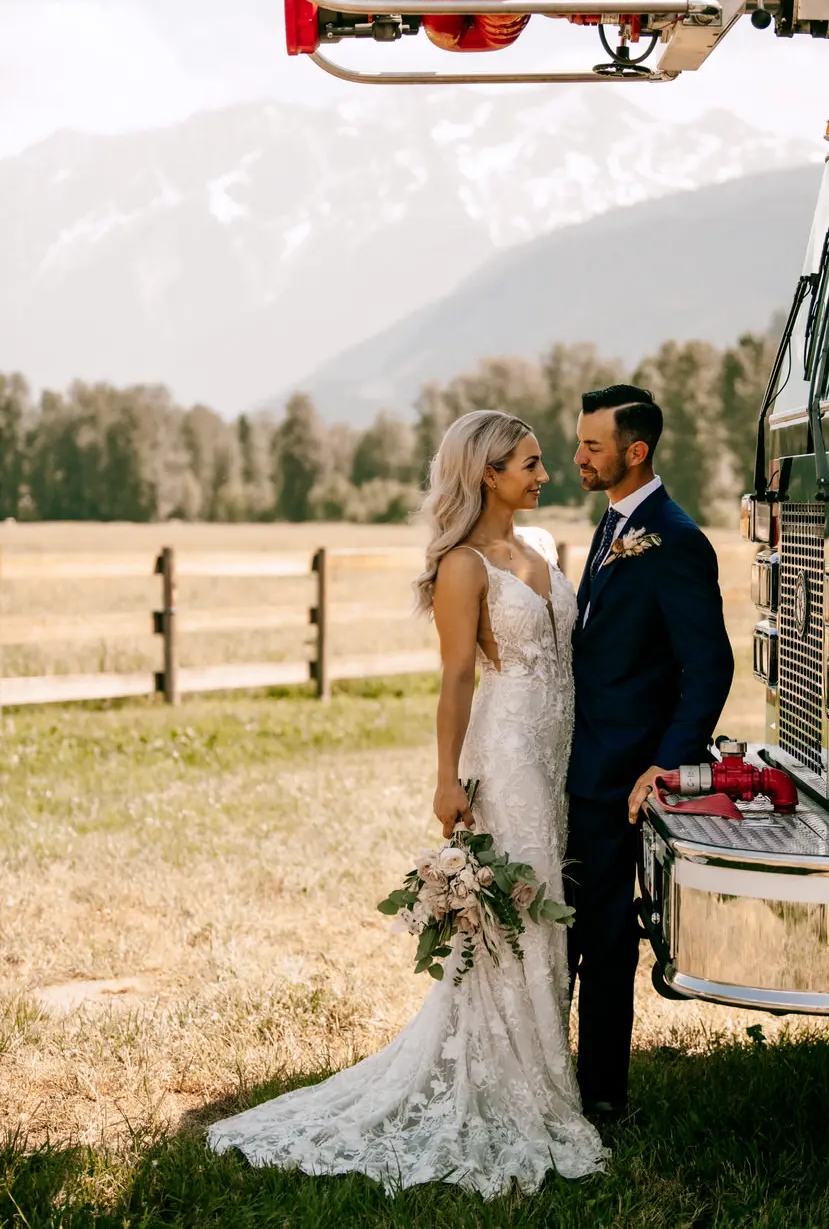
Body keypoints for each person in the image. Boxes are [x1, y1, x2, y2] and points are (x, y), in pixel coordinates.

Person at [208, 410, 606, 1198]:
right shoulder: (463, 567)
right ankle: (516, 1083)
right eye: (528, 464)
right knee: (522, 909)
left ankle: (544, 1071)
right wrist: (446, 777)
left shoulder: (543, 548)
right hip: (510, 752)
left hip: (560, 748)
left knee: (550, 906)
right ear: (487, 474)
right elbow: (458, 676)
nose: (544, 474)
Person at [568, 384, 734, 1119]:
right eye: (577, 442)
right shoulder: (612, 526)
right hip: (578, 767)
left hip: (620, 777)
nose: (578, 456)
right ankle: (553, 1076)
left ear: (635, 452)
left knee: (605, 940)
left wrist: (667, 764)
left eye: (592, 446)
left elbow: (710, 665)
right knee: (569, 929)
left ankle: (603, 1099)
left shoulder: (675, 538)